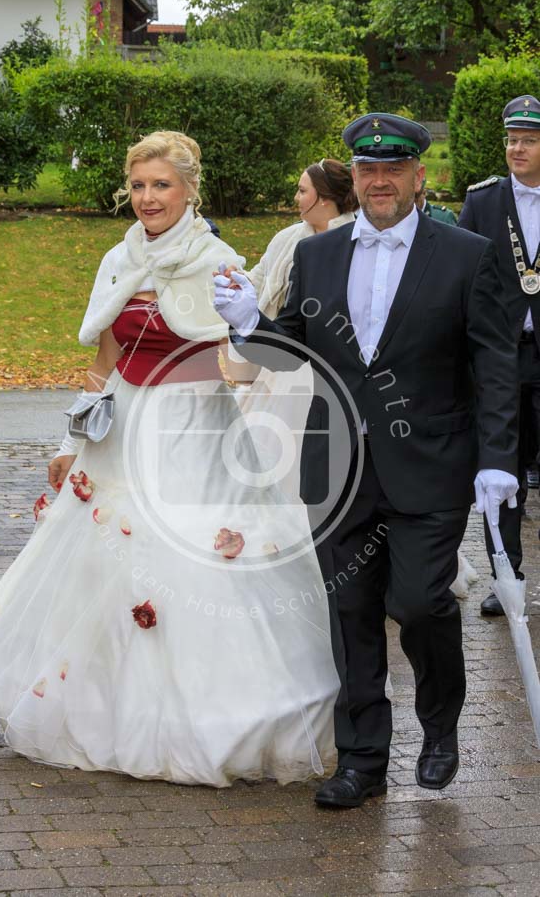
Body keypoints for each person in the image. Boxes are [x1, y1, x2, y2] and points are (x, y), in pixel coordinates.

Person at [0, 130, 340, 787]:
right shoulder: (120, 258)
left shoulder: (219, 262)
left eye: (161, 184)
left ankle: (208, 720)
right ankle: (105, 711)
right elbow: (104, 362)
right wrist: (69, 443)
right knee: (100, 568)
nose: (148, 197)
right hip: (120, 431)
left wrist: (238, 335)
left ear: (190, 189)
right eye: (138, 186)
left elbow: (248, 361)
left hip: (193, 432)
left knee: (193, 567)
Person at [214, 112, 519, 807]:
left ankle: (439, 728)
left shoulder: (467, 254)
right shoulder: (317, 255)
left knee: (419, 603)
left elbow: (495, 362)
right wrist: (248, 324)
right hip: (338, 470)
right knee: (350, 611)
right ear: (353, 178)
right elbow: (289, 352)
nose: (381, 181)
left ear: (418, 176)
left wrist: (499, 456)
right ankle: (361, 761)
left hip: (432, 464)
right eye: (368, 170)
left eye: (393, 169)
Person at [226, 159, 357, 500]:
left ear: (323, 197)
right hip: (280, 363)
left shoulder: (355, 241)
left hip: (325, 369)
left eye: (302, 191)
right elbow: (258, 279)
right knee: (263, 453)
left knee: (309, 459)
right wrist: (235, 284)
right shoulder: (288, 238)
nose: (296, 198)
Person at [459, 95, 540, 616]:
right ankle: (506, 577)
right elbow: (461, 276)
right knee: (501, 471)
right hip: (498, 358)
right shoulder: (483, 201)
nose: (517, 148)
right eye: (512, 140)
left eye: (528, 140)